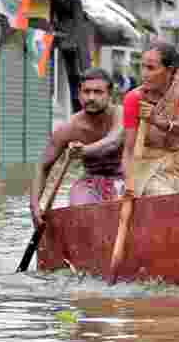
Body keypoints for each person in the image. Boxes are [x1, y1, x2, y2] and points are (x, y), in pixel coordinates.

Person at [29, 69, 124, 227]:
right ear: (79, 94)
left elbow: (113, 141)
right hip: (91, 181)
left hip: (125, 179)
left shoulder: (121, 114)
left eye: (98, 92)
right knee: (79, 211)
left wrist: (84, 150)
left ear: (110, 94)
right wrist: (34, 206)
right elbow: (42, 166)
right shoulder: (70, 127)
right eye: (87, 92)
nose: (91, 97)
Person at [120, 41, 179, 197]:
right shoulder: (133, 98)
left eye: (151, 68)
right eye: (142, 67)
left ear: (170, 71)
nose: (144, 74)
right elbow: (128, 149)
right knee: (163, 197)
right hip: (147, 167)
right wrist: (128, 181)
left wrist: (155, 119)